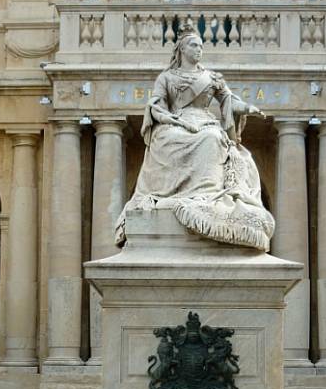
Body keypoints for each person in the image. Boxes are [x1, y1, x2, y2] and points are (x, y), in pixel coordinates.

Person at [115, 24, 275, 250]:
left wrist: (248, 107)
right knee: (167, 137)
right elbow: (157, 104)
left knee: (210, 138)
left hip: (204, 121)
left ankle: (206, 195)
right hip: (176, 121)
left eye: (201, 46)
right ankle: (175, 194)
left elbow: (228, 100)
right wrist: (168, 117)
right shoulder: (167, 77)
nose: (199, 50)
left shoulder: (211, 78)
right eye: (193, 45)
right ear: (181, 49)